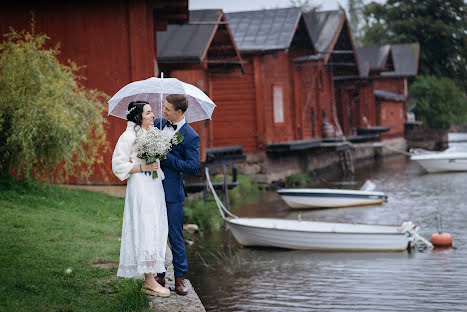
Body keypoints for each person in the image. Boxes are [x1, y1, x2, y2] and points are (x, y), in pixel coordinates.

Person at [112, 101, 170, 297]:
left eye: (152, 111)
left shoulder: (152, 134)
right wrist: (143, 167)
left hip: (154, 186)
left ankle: (152, 275)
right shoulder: (128, 136)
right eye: (149, 112)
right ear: (138, 116)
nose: (153, 115)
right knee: (145, 225)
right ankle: (148, 280)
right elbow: (118, 165)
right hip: (140, 186)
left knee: (155, 224)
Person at [154, 94, 200, 296]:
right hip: (152, 187)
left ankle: (180, 278)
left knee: (175, 236)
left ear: (179, 112)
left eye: (167, 109)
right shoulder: (158, 124)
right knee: (156, 234)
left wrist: (167, 157)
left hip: (173, 192)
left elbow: (192, 167)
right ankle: (159, 275)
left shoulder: (190, 136)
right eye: (164, 107)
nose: (163, 111)